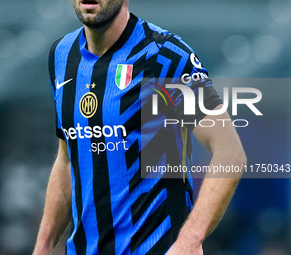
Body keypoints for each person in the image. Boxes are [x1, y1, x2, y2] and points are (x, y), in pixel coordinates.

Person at [33, 0, 246, 254]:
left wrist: (189, 240)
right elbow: (67, 159)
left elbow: (230, 152)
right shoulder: (62, 56)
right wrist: (43, 247)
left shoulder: (164, 57)